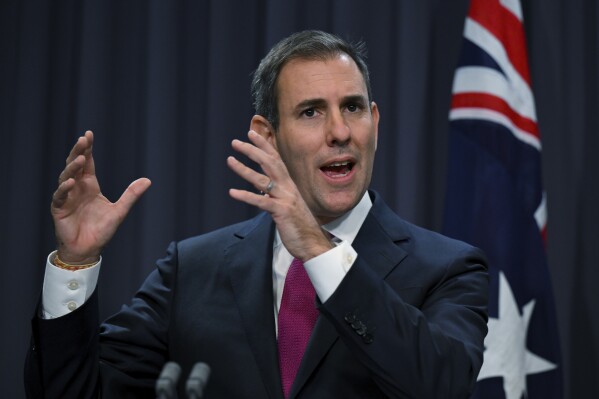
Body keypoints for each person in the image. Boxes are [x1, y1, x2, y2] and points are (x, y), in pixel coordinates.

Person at [25, 30, 488, 398]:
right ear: (267, 135)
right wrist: (76, 263)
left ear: (375, 121)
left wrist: (316, 249)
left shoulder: (447, 269)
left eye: (352, 107)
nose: (341, 131)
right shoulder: (194, 270)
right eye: (311, 112)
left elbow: (441, 386)